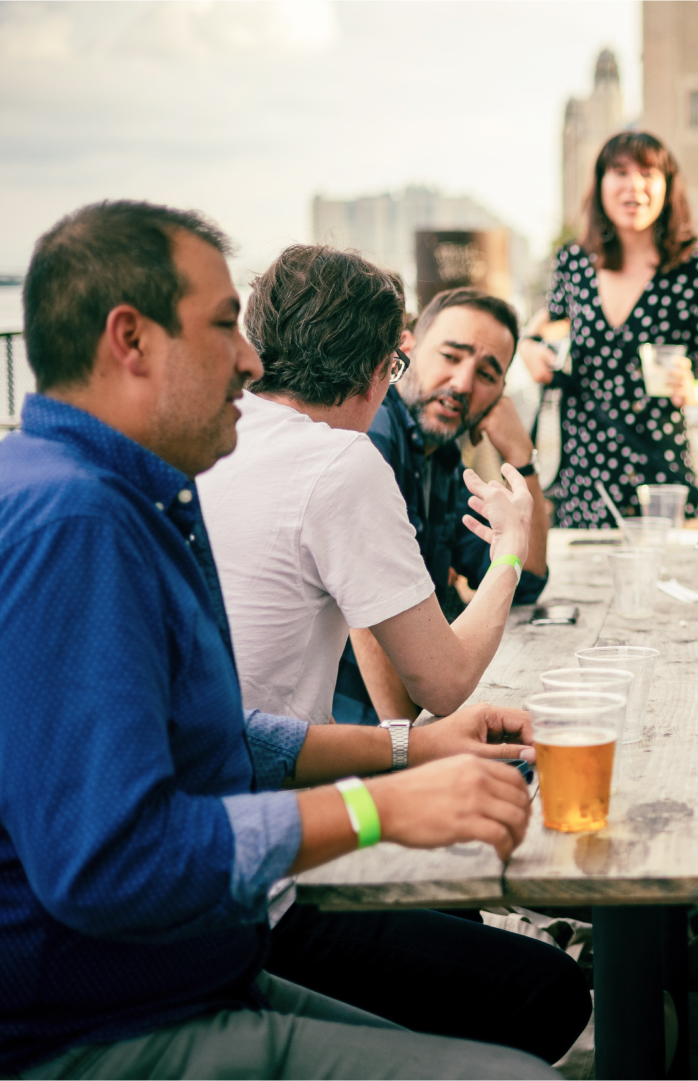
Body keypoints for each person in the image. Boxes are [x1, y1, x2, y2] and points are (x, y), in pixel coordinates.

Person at [0, 201, 590, 1080]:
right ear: (131, 341)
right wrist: (377, 804)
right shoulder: (77, 521)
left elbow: (223, 736)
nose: (249, 359)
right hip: (103, 1013)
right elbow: (113, 860)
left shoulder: (132, 488)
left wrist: (409, 744)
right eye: (223, 326)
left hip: (201, 958)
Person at [198, 245, 534, 731]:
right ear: (379, 369)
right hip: (269, 788)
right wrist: (510, 550)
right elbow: (445, 683)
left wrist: (403, 752)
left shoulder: (216, 433)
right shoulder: (342, 461)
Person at [333, 287, 549, 725]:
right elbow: (365, 603)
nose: (463, 383)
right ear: (407, 345)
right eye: (452, 355)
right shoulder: (375, 433)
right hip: (344, 734)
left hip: (403, 726)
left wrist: (523, 458)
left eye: (487, 374)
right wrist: (411, 751)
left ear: (500, 395)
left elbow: (526, 581)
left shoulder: (443, 460)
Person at [520, 130, 698, 526]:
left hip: (660, 474)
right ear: (600, 184)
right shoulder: (574, 262)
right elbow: (546, 323)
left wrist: (693, 388)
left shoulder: (691, 268)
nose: (634, 185)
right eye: (619, 172)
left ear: (668, 186)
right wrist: (529, 347)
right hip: (586, 474)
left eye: (648, 173)